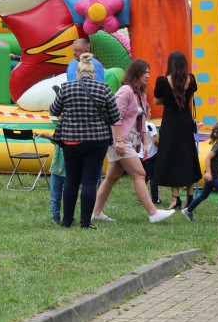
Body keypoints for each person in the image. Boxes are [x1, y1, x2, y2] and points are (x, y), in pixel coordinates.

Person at [91, 59, 175, 224]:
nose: (148, 76)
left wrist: (144, 143)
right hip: (120, 139)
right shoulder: (125, 91)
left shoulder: (141, 94)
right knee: (140, 174)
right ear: (136, 73)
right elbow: (115, 117)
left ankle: (96, 212)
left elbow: (142, 121)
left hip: (130, 139)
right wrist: (119, 141)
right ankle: (153, 212)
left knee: (112, 177)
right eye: (146, 72)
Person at [49, 53, 120, 229]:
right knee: (89, 181)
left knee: (71, 180)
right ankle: (85, 222)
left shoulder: (66, 88)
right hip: (97, 141)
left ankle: (66, 221)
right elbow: (115, 116)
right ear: (93, 73)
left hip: (71, 141)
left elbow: (54, 109)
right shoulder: (103, 88)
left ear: (78, 73)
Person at [153, 51, 202, 210]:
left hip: (170, 122)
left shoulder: (162, 81)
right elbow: (189, 99)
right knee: (188, 157)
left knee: (171, 157)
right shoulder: (191, 79)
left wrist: (169, 100)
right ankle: (189, 196)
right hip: (185, 122)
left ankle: (175, 198)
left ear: (170, 64)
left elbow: (157, 101)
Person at [182, 122, 218, 224]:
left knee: (203, 196)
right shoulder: (216, 147)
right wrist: (208, 172)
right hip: (212, 177)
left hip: (213, 177)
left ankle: (188, 210)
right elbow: (208, 158)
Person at [36, 131, 65, 225]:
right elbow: (51, 136)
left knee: (69, 197)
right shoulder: (59, 138)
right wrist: (41, 134)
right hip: (56, 171)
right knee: (55, 196)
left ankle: (69, 216)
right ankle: (55, 217)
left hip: (71, 173)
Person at [141, 120, 160, 204]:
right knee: (153, 178)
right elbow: (154, 141)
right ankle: (155, 199)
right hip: (150, 154)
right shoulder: (150, 125)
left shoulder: (136, 124)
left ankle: (142, 199)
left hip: (140, 155)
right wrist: (161, 147)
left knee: (142, 178)